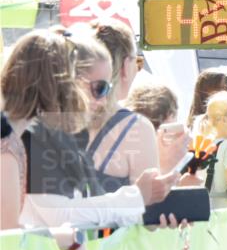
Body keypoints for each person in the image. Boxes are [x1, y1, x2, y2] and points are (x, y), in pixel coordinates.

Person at [1, 29, 175, 230]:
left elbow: (77, 215)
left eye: (107, 88)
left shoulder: (38, 132)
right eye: (99, 88)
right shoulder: (24, 135)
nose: (102, 100)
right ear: (64, 81)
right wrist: (136, 197)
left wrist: (145, 206)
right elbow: (59, 217)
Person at [85, 20, 160, 192]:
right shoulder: (135, 128)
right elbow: (147, 208)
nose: (137, 70)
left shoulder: (53, 118)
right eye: (137, 62)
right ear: (126, 65)